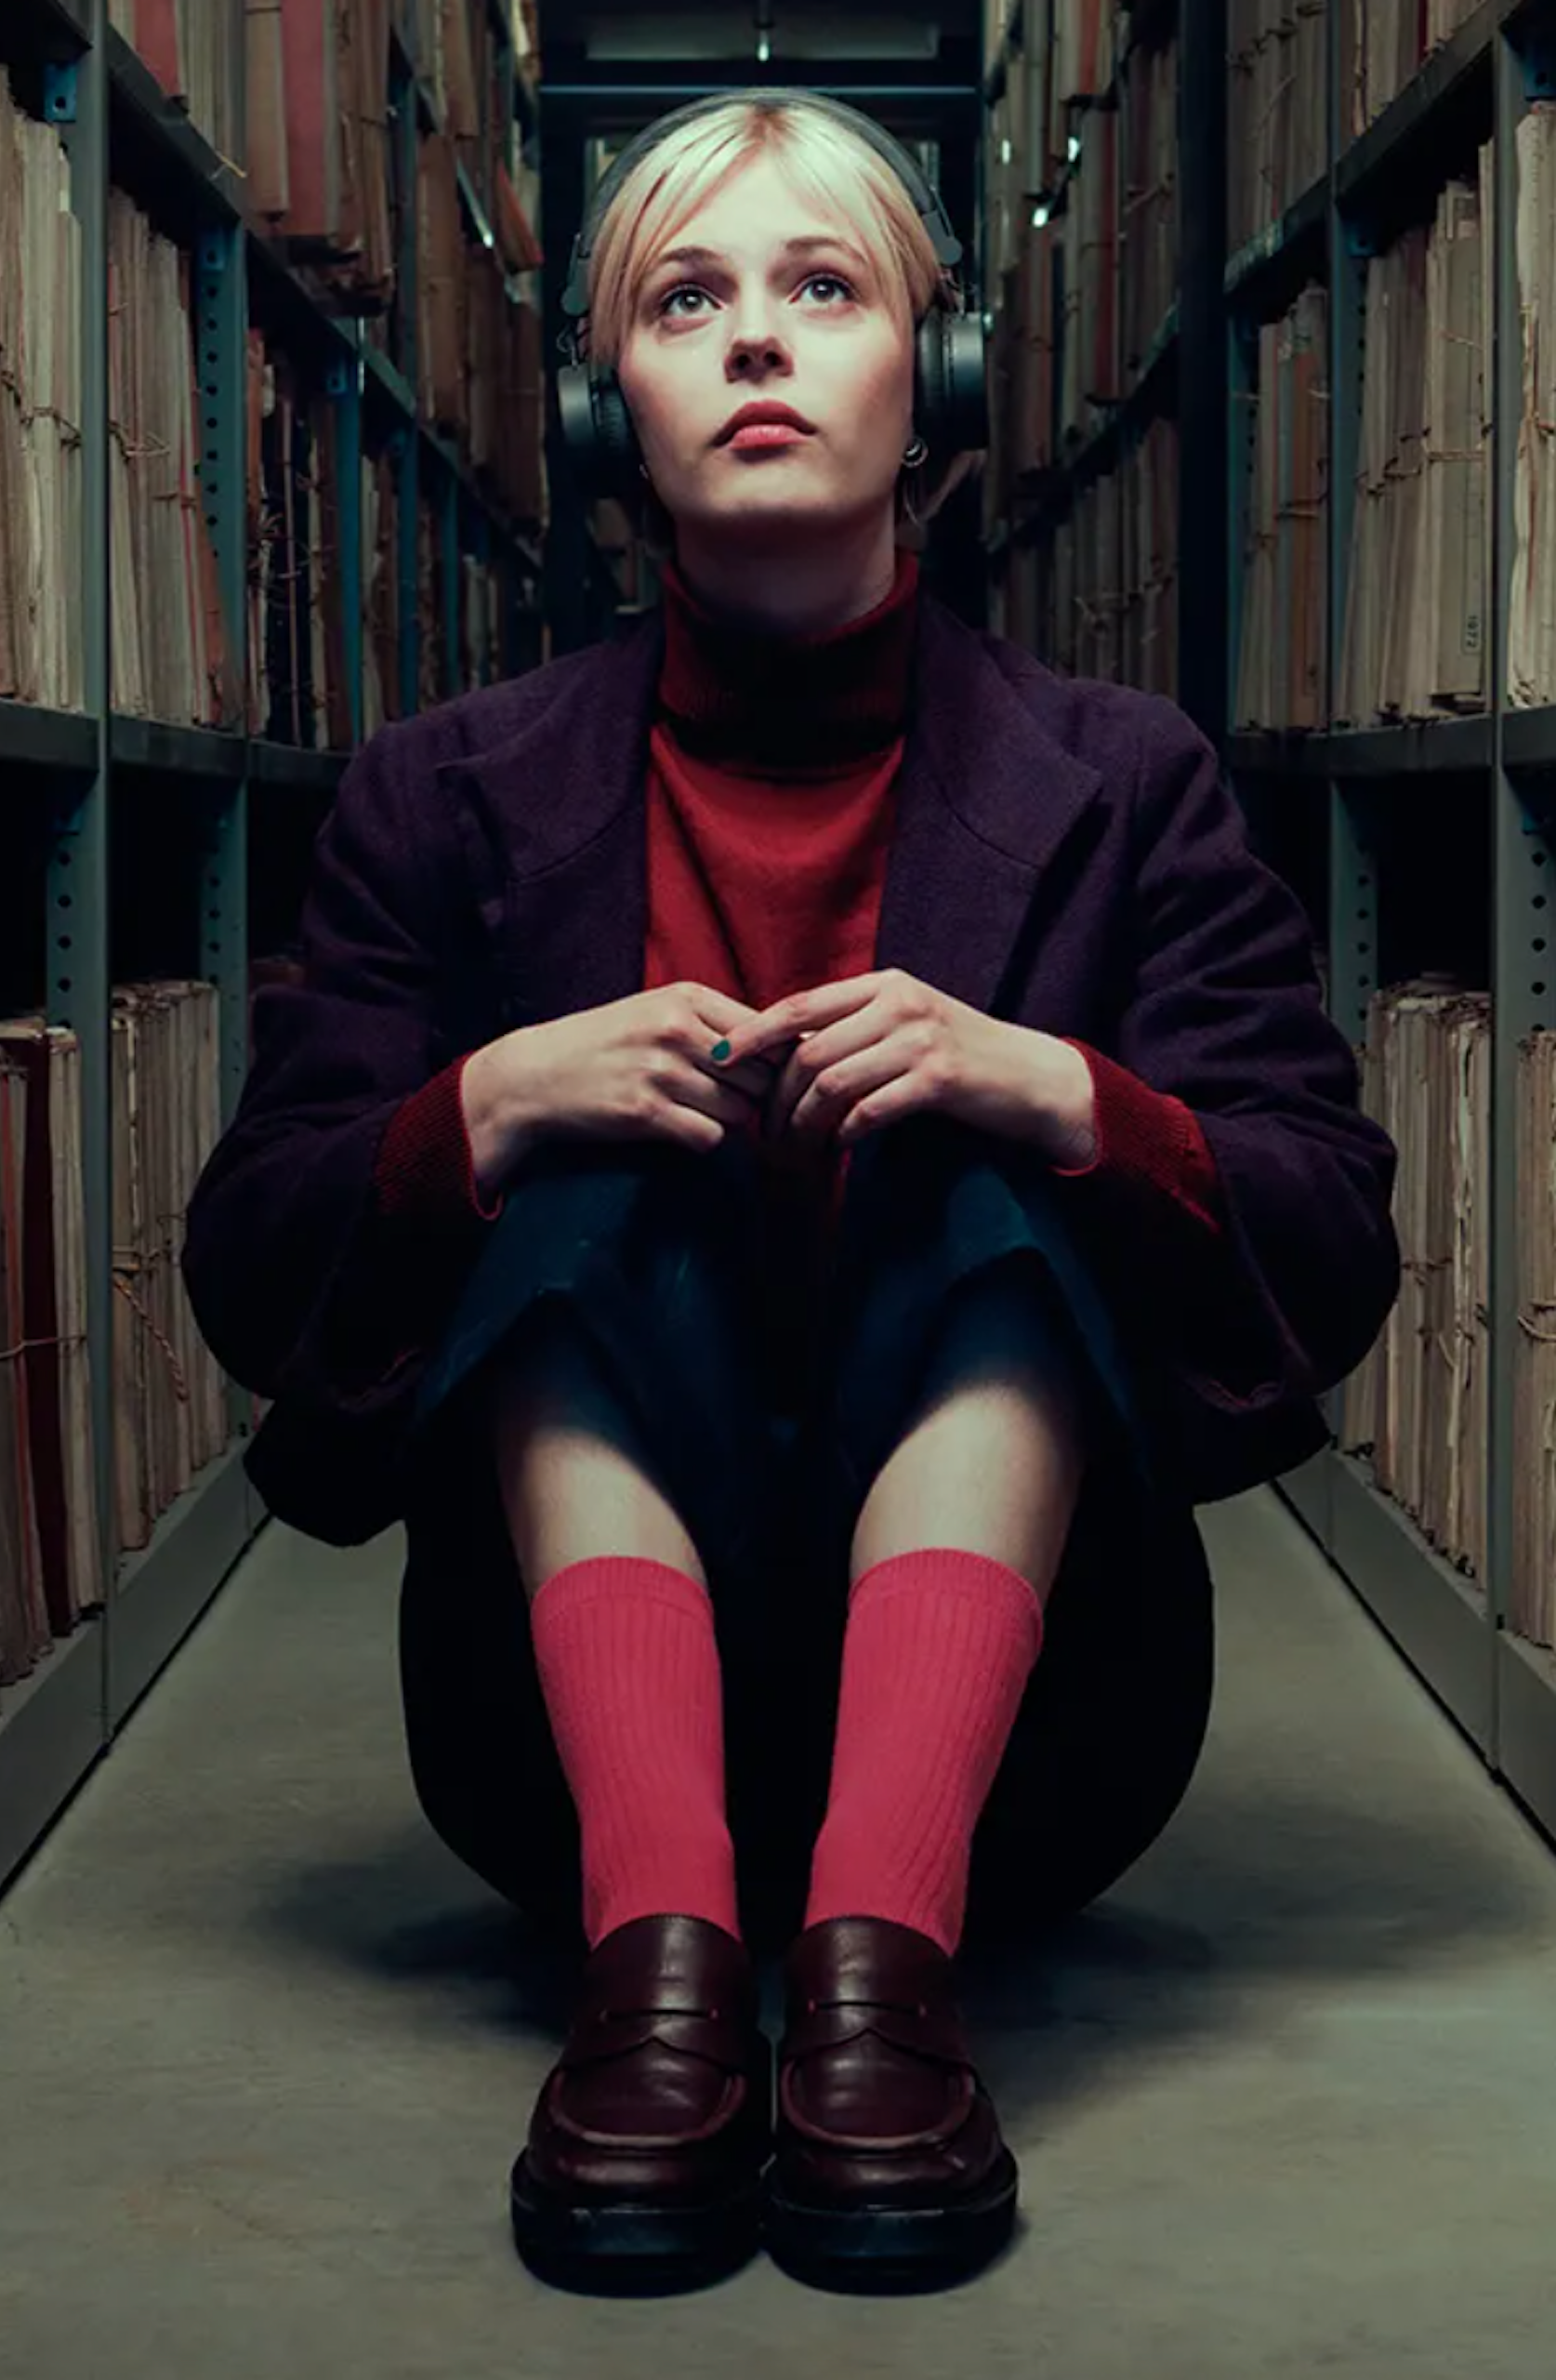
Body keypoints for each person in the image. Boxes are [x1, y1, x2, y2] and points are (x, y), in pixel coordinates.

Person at [180, 89, 1399, 2296]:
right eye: (683, 298)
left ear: (928, 380)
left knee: (968, 1163)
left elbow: (1328, 1229)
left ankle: (874, 1959)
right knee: (575, 1168)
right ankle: (654, 1955)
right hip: (547, 1763)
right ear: (600, 408)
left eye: (819, 290)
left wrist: (1062, 1093)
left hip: (1028, 1747)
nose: (753, 344)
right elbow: (248, 1252)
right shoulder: (436, 796)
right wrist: (470, 1106)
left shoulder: (1125, 786)